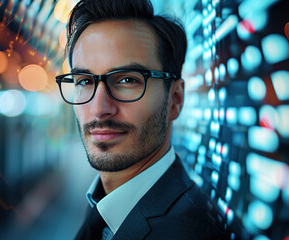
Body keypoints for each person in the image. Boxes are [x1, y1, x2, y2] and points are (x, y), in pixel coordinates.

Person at [55, 0, 234, 239]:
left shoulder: (194, 231)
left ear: (175, 100)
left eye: (127, 80)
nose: (99, 108)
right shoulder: (102, 206)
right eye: (85, 81)